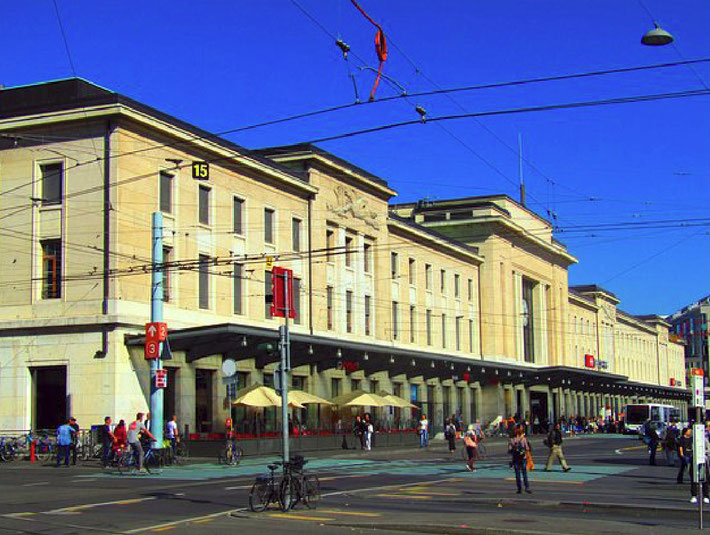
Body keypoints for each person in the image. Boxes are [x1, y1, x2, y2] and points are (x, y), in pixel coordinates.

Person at [508, 424, 532, 494]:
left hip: (515, 458)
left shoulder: (511, 440)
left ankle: (519, 489)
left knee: (517, 474)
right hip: (523, 457)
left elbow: (509, 450)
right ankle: (527, 487)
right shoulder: (523, 439)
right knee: (524, 473)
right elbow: (527, 448)